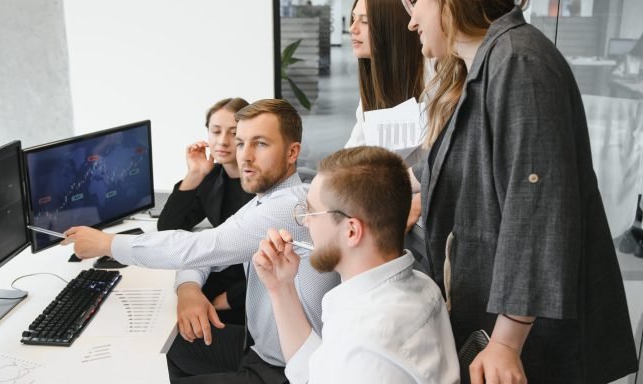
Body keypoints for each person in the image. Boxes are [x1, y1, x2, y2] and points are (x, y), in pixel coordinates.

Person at [402, 0, 639, 382]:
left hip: (530, 336)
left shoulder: (519, 62)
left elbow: (537, 208)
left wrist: (507, 340)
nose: (411, 20)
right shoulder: (485, 64)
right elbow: (436, 164)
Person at [64, 99, 340, 383]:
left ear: (292, 152)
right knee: (175, 345)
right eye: (242, 143)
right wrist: (188, 286)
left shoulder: (287, 208)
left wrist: (107, 244)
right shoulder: (267, 199)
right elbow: (208, 244)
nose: (244, 155)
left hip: (286, 371)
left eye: (260, 144)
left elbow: (203, 247)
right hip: (258, 349)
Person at [253, 146, 459, 383]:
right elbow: (313, 373)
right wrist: (280, 287)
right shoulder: (417, 285)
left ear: (351, 231)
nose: (305, 222)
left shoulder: (367, 346)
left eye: (311, 211)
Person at [158, 98, 253, 330]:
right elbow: (169, 229)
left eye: (233, 132)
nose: (222, 141)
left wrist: (228, 300)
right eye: (216, 131)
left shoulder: (258, 183)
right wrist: (195, 175)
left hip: (249, 291)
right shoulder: (213, 176)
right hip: (222, 274)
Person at [345, 0, 425, 148]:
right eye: (354, 19)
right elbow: (355, 147)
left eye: (365, 21)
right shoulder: (374, 84)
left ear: (391, 29)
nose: (352, 29)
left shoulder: (430, 83)